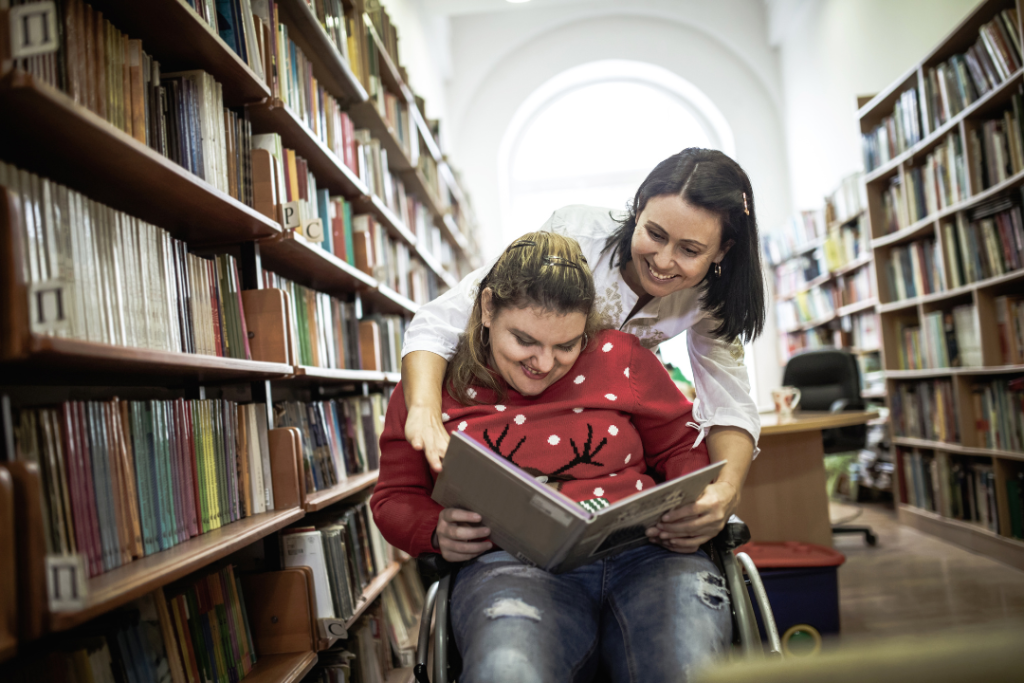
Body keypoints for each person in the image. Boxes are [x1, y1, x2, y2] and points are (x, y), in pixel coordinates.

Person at [370, 231, 731, 682]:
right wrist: (435, 530)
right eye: (524, 341)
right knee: (508, 670)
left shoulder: (620, 357)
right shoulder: (431, 385)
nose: (544, 363)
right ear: (487, 309)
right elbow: (393, 497)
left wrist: (692, 502)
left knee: (686, 666)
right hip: (509, 566)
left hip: (649, 554)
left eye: (566, 346)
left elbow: (683, 445)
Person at [402, 148, 766, 551]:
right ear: (637, 210)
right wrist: (423, 411)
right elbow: (441, 321)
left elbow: (729, 399)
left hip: (612, 429)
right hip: (532, 417)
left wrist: (727, 491)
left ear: (722, 251)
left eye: (690, 250)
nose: (663, 260)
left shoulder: (714, 294)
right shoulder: (574, 234)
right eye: (655, 234)